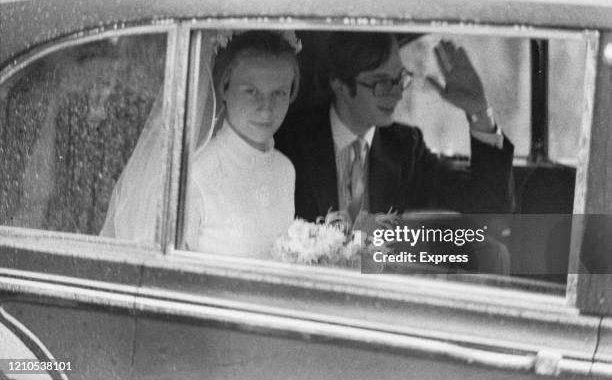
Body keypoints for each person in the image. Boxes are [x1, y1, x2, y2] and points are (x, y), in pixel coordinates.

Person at [275, 32, 515, 223]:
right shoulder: (291, 141)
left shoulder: (404, 148)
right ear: (340, 86)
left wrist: (479, 111)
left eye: (399, 78)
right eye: (380, 82)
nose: (397, 92)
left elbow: (490, 207)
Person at [184, 31, 300, 258]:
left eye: (279, 93)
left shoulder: (286, 169)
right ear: (225, 89)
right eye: (251, 92)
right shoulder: (196, 176)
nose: (266, 108)